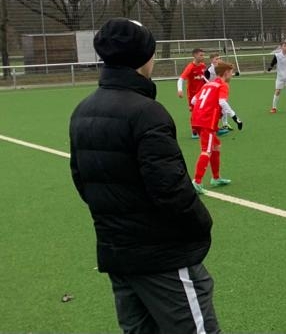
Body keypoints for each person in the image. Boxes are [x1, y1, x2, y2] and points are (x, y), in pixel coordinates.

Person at [70, 18, 220, 334]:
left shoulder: (82, 110)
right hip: (163, 256)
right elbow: (171, 190)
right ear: (145, 57)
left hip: (117, 252)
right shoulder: (147, 113)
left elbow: (83, 183)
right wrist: (202, 224)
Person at [191, 62, 243, 194]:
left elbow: (193, 101)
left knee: (216, 145)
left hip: (198, 120)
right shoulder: (222, 85)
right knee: (207, 150)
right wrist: (235, 117)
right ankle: (197, 182)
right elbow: (222, 102)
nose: (232, 74)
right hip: (207, 122)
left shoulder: (208, 84)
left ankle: (216, 178)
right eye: (231, 72)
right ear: (226, 72)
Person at [177, 49, 207, 138]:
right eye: (201, 55)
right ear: (195, 55)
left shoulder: (203, 65)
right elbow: (181, 79)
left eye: (203, 55)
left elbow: (204, 78)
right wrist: (180, 90)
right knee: (195, 112)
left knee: (205, 110)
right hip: (193, 94)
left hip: (203, 93)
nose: (203, 57)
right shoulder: (190, 67)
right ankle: (194, 131)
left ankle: (205, 127)